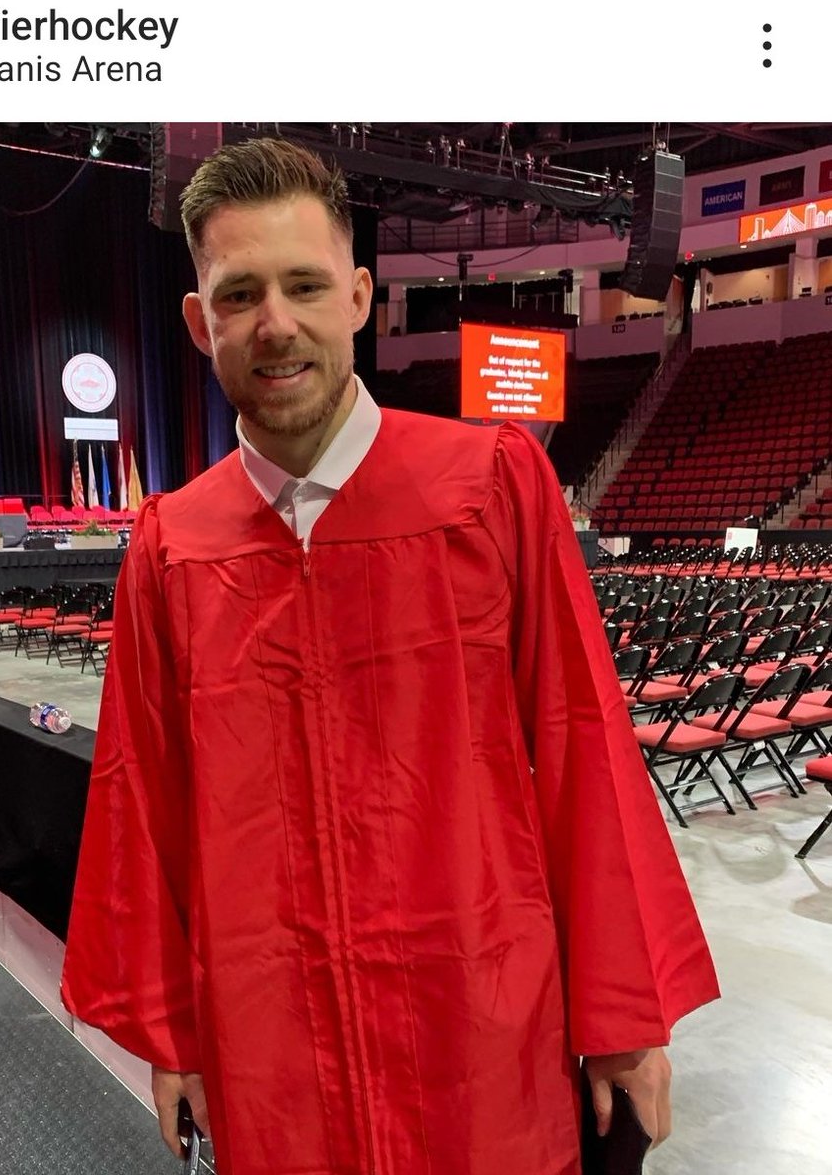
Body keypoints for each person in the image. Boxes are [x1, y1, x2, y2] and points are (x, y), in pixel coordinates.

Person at [61, 138, 719, 1175]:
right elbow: (144, 801)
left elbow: (583, 745)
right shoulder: (171, 548)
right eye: (239, 295)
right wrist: (169, 1033)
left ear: (360, 296)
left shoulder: (490, 487)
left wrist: (625, 1016)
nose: (275, 324)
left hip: (482, 1033)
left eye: (305, 285)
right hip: (275, 1051)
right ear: (201, 322)